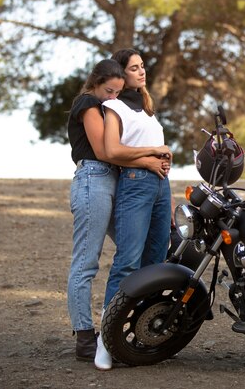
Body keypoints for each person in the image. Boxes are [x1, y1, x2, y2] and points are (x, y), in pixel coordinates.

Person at [66, 59, 171, 364]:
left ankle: (130, 328)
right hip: (94, 179)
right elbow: (104, 152)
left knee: (133, 253)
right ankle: (86, 337)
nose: (113, 96)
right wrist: (150, 156)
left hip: (116, 180)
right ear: (95, 83)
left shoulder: (112, 107)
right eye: (108, 90)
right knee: (86, 262)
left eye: (117, 92)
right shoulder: (88, 103)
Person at [93, 48, 174, 370]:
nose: (142, 73)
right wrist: (152, 153)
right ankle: (106, 339)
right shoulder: (113, 106)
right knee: (127, 262)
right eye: (134, 68)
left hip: (160, 188)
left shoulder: (149, 110)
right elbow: (112, 151)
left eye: (143, 67)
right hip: (135, 185)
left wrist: (167, 199)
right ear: (120, 73)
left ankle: (141, 334)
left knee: (155, 263)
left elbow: (160, 160)